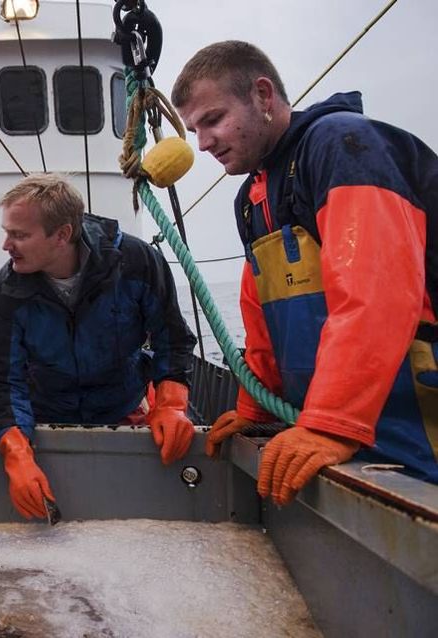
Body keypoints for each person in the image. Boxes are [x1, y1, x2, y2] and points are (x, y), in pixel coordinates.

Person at [171, 40, 438, 505]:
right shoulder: (252, 196)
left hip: (417, 425)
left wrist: (330, 422)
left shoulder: (343, 146)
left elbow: (377, 292)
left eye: (212, 119)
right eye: (195, 129)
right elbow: (263, 314)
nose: (203, 142)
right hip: (354, 432)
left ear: (262, 95)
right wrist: (256, 407)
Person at [0, 174, 198, 520]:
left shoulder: (136, 261)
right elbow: (5, 380)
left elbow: (171, 339)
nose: (6, 245)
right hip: (46, 416)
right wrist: (17, 455)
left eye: (19, 235)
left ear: (62, 235)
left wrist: (172, 405)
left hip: (125, 405)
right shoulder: (5, 292)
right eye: (7, 232)